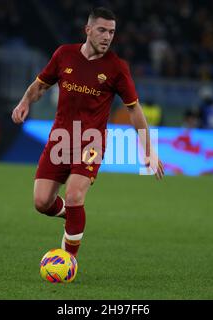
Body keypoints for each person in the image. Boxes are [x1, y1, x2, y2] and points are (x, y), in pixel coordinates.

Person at [11, 7, 164, 258]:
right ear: (88, 29)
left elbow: (134, 110)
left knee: (73, 195)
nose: (107, 37)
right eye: (102, 30)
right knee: (41, 202)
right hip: (60, 139)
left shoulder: (116, 68)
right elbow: (41, 85)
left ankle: (69, 260)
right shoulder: (64, 55)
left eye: (112, 32)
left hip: (91, 142)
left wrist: (148, 150)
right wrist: (25, 102)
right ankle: (70, 217)